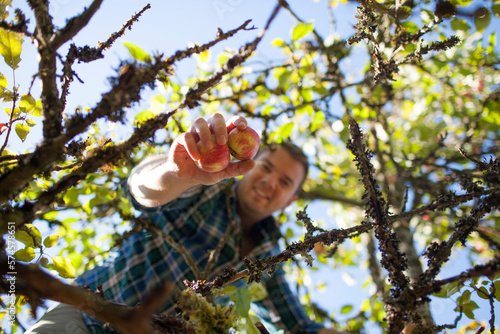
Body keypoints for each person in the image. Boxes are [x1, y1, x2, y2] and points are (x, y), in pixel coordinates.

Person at [26, 113, 346, 334]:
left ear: (290, 200)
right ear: (250, 164)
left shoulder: (268, 258)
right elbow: (141, 190)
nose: (270, 181)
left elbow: (300, 328)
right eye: (266, 167)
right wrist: (174, 172)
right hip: (87, 317)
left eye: (285, 181)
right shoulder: (208, 189)